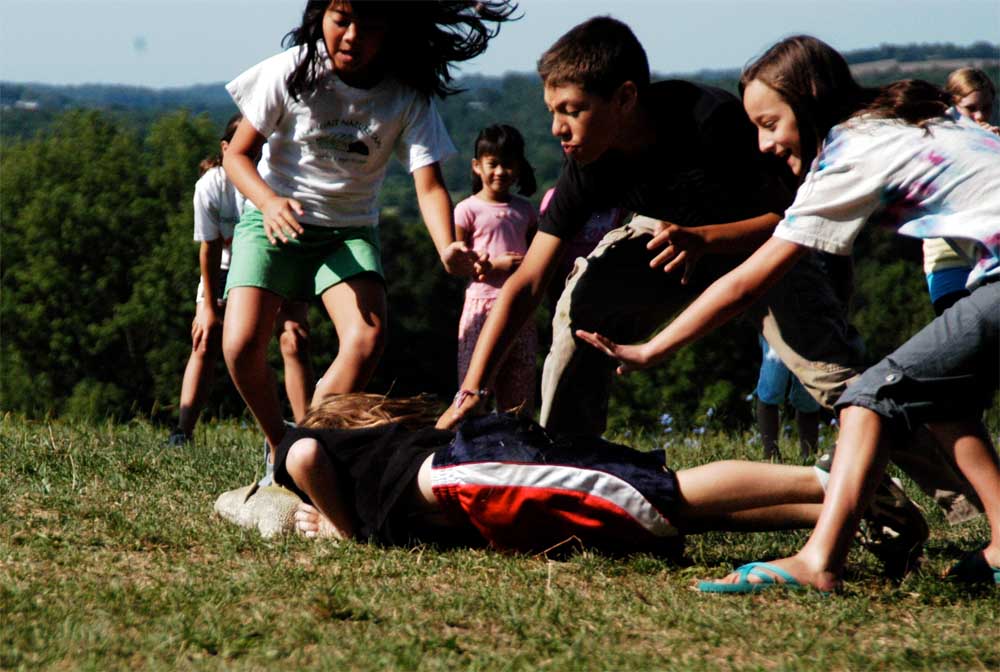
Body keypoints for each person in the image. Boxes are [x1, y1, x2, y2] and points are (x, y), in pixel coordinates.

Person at [577, 36, 1000, 591]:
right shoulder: (908, 119)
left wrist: (653, 348)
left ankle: (819, 562)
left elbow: (749, 281)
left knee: (870, 398)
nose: (763, 143)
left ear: (811, 100)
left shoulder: (852, 152)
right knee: (939, 394)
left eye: (770, 123)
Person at [221, 1, 515, 482]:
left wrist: (446, 245)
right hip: (272, 221)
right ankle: (280, 448)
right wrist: (270, 201)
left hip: (348, 231)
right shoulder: (292, 72)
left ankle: (308, 442)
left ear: (392, 31)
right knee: (239, 345)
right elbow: (237, 155)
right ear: (321, 18)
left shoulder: (404, 95)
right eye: (341, 20)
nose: (352, 35)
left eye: (369, 25)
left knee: (368, 336)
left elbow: (429, 183)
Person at [275, 393, 828, 553]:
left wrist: (339, 529)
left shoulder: (324, 444)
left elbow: (300, 458)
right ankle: (836, 512)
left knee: (663, 491)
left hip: (473, 473)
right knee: (664, 516)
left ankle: (831, 481)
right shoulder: (384, 456)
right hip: (484, 475)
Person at [168, 114, 314, 446]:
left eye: (263, 147)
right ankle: (182, 431)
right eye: (249, 147)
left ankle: (308, 433)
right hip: (222, 267)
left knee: (294, 337)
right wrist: (207, 306)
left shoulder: (280, 181)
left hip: (274, 260)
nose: (257, 155)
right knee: (205, 337)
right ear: (226, 149)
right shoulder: (211, 186)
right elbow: (209, 247)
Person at [455, 124, 539, 413]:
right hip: (482, 304)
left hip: (520, 305)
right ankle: (468, 445)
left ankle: (516, 447)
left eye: (508, 164)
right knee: (475, 381)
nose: (501, 172)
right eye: (493, 164)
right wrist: (494, 264)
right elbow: (459, 262)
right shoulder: (466, 210)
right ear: (478, 167)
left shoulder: (526, 210)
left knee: (520, 380)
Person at [920, 68, 997, 315]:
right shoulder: (933, 146)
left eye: (986, 108)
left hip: (990, 260)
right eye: (971, 109)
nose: (980, 116)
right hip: (947, 264)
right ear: (951, 107)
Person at [755, 336, 820, 462]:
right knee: (772, 383)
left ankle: (809, 456)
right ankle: (770, 454)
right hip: (777, 325)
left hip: (812, 327)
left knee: (808, 392)